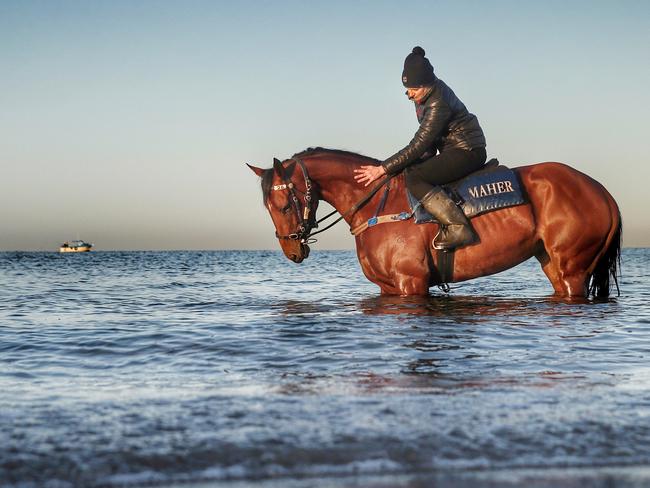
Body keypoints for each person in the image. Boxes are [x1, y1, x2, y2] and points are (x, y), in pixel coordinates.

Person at [354, 46, 487, 250]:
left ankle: (458, 227)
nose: (409, 94)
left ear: (426, 84)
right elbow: (428, 147)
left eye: (413, 89)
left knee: (415, 178)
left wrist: (383, 168)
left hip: (466, 151)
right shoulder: (426, 96)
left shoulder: (438, 103)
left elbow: (419, 144)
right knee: (409, 170)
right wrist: (401, 166)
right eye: (407, 89)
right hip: (453, 149)